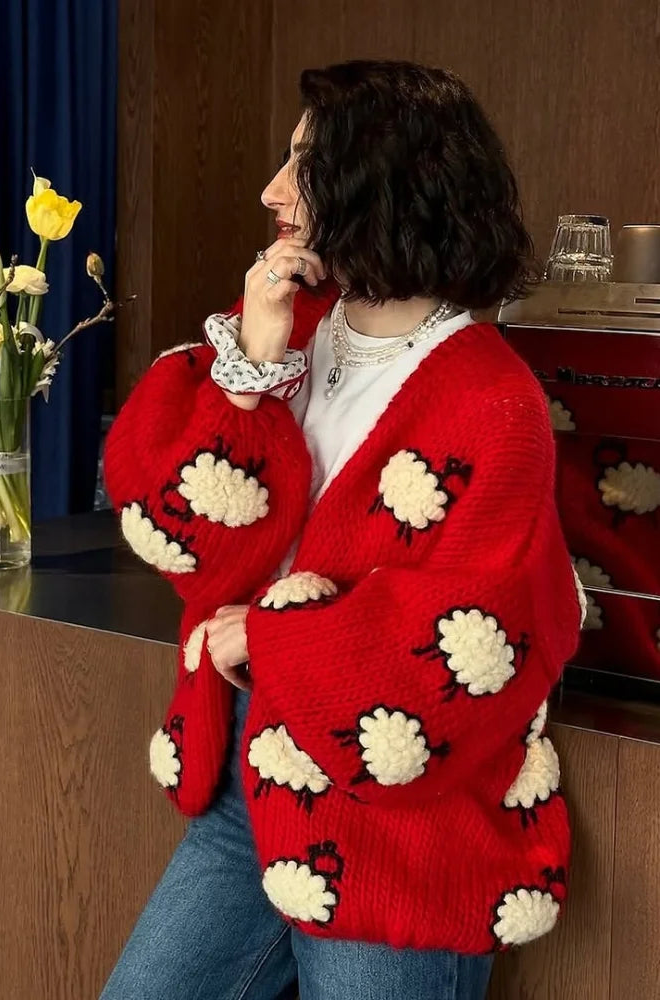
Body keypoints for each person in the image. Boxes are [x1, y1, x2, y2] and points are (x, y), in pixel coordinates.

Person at [99, 60, 583, 1000]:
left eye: (304, 167)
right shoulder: (285, 333)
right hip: (246, 787)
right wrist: (252, 367)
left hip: (400, 831)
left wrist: (269, 636)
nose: (272, 191)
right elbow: (180, 538)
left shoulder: (494, 403)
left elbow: (470, 647)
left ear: (381, 182)